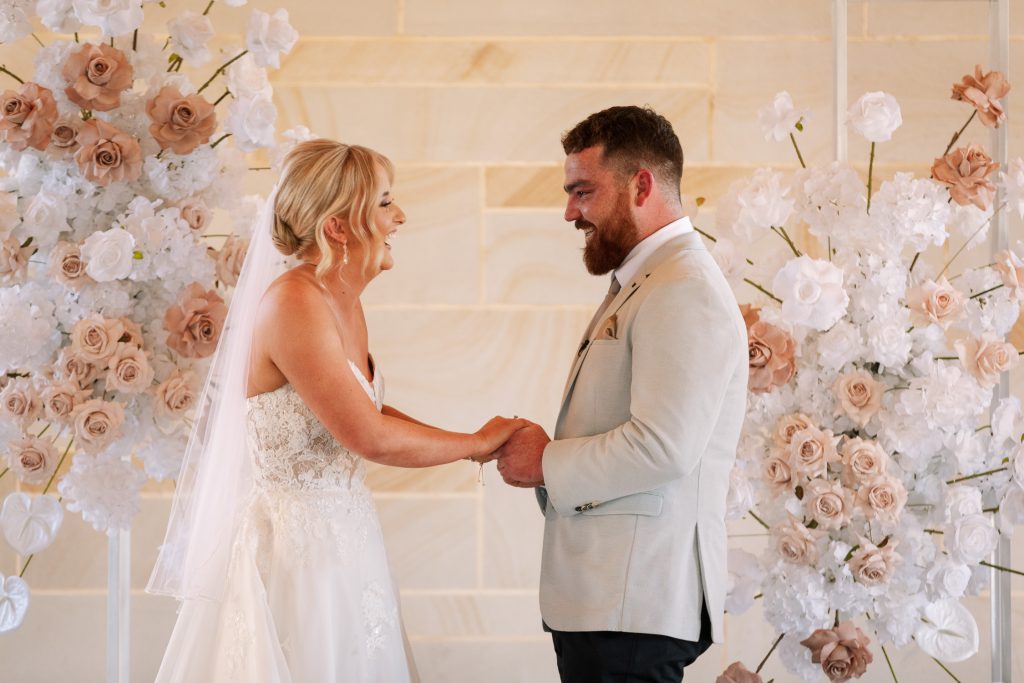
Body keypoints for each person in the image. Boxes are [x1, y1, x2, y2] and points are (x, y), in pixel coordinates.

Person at [147, 139, 524, 682]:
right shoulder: (294, 302)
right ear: (337, 228)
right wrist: (478, 443)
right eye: (384, 203)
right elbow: (369, 436)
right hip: (298, 558)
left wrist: (472, 442)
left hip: (347, 540)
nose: (400, 217)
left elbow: (365, 408)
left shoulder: (339, 298)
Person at [495, 106, 748, 682]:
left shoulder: (683, 288)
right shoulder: (647, 279)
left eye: (582, 192)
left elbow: (664, 446)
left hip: (634, 606)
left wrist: (545, 462)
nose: (569, 212)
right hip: (611, 604)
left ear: (641, 185)